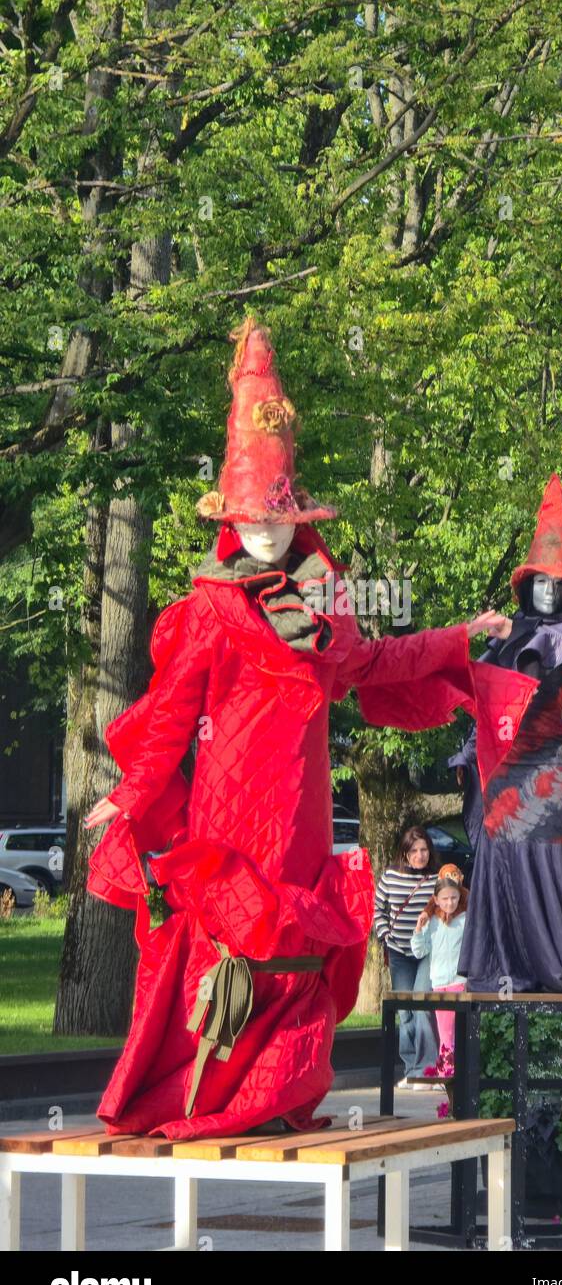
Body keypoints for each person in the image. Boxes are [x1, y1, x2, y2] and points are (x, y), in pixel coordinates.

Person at [82, 316, 521, 1141]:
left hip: (303, 808)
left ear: (299, 521)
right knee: (231, 933)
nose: (264, 532)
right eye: (250, 520)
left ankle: (275, 1088)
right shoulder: (208, 608)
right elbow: (172, 709)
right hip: (228, 806)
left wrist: (457, 638)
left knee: (294, 943)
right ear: (228, 521)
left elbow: (376, 664)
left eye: (276, 520)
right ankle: (205, 1088)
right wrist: (135, 790)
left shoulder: (325, 602)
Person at [450, 474, 562, 995]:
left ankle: (557, 966)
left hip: (546, 766)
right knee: (501, 854)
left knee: (543, 854)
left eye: (557, 583)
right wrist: (466, 755)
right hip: (505, 768)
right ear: (527, 586)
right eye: (540, 582)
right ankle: (508, 967)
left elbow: (547, 677)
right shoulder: (505, 637)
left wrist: (515, 633)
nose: (549, 590)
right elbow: (485, 708)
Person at [374, 826, 441, 1085]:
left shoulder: (436, 878)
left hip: (426, 952)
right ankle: (411, 1068)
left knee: (422, 1003)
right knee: (405, 1011)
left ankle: (428, 1068)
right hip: (399, 952)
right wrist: (385, 935)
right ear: (404, 853)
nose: (420, 855)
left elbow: (450, 907)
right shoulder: (391, 876)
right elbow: (378, 908)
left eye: (424, 850)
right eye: (414, 850)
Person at [411, 864, 468, 1069]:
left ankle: (451, 1070)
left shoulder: (465, 919)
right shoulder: (432, 921)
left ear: (460, 896)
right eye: (444, 899)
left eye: (453, 898)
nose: (449, 903)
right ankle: (449, 1070)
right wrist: (419, 930)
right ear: (436, 900)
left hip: (459, 982)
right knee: (445, 1031)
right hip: (439, 983)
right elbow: (420, 951)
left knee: (454, 1030)